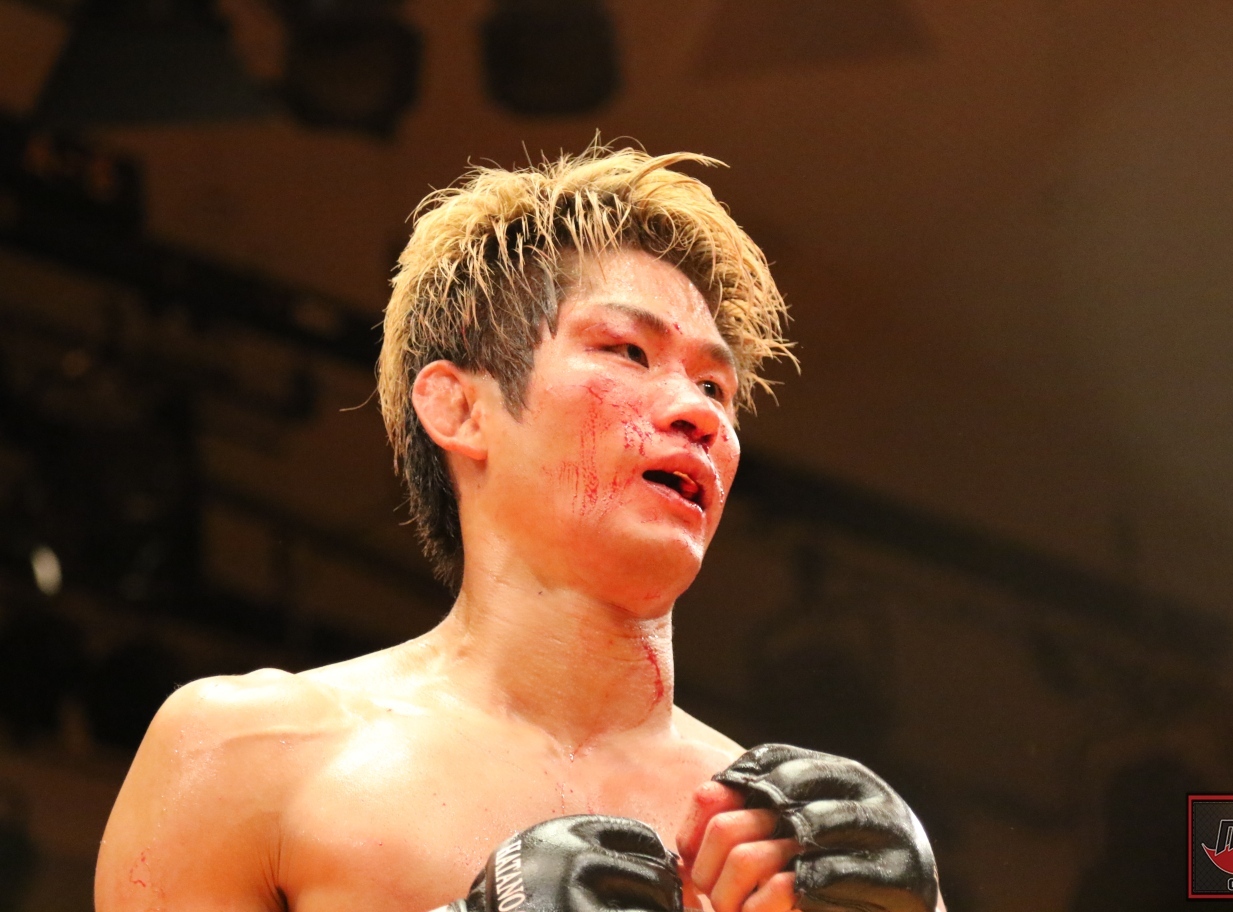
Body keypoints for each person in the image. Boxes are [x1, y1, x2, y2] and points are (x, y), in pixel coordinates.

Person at [94, 146, 944, 912]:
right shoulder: (251, 753)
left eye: (715, 389)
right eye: (627, 352)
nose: (697, 413)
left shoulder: (765, 844)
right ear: (461, 408)